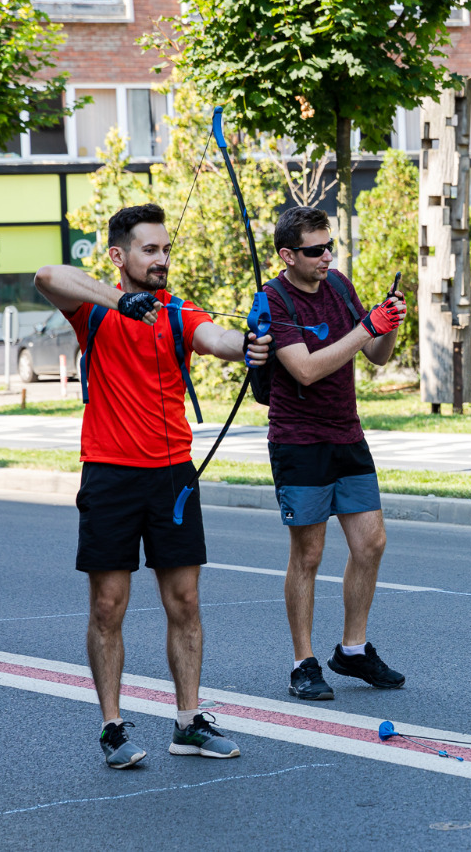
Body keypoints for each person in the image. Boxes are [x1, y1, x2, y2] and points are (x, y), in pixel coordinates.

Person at [34, 203, 271, 769]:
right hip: (110, 474)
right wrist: (121, 301)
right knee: (108, 606)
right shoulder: (91, 312)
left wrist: (251, 342)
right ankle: (113, 728)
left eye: (165, 249)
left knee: (185, 602)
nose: (161, 259)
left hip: (172, 477)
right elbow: (46, 277)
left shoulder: (176, 311)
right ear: (119, 256)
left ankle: (189, 722)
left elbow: (215, 338)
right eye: (149, 249)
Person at [262, 206, 408, 701]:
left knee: (371, 543)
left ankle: (352, 649)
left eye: (330, 246)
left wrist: (387, 324)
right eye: (315, 250)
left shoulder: (340, 286)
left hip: (347, 434)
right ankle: (303, 662)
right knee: (309, 553)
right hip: (298, 441)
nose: (327, 257)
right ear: (288, 255)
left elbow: (375, 355)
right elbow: (304, 370)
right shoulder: (273, 300)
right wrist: (367, 328)